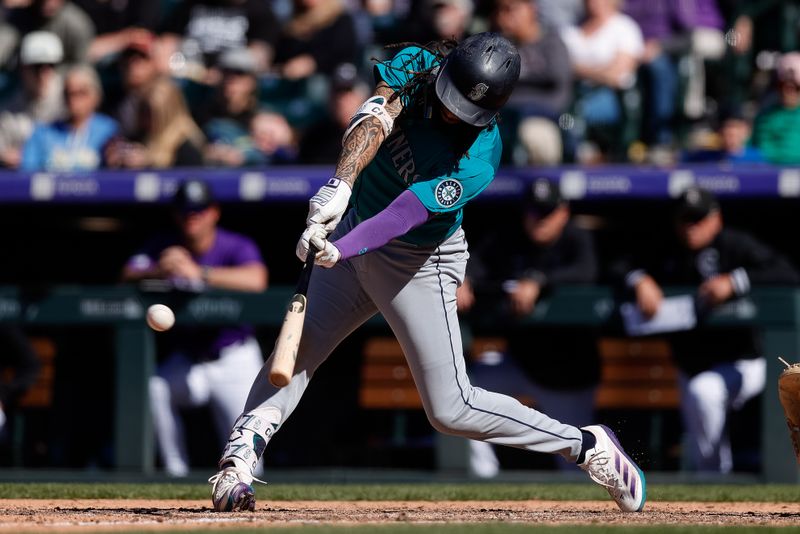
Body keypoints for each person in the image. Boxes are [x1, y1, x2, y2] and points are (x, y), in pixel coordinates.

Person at [208, 32, 646, 514]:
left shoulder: (480, 157)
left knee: (450, 408)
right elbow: (373, 118)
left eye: (468, 110)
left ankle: (587, 446)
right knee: (295, 355)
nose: (453, 113)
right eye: (452, 98)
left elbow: (405, 212)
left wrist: (341, 246)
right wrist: (340, 186)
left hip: (416, 261)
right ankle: (238, 461)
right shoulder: (417, 66)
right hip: (353, 230)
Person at [619, 186, 799, 472]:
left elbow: (787, 272)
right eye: (686, 219)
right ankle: (711, 479)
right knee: (700, 397)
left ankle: (716, 476)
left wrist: (735, 281)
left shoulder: (734, 244)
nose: (692, 227)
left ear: (716, 218)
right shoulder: (667, 249)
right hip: (689, 363)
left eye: (699, 218)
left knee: (705, 392)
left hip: (745, 361)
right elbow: (617, 263)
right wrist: (639, 279)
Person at [122, 179, 268, 477]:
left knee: (249, 458)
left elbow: (256, 279)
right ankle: (175, 473)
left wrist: (199, 272)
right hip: (190, 360)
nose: (193, 217)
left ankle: (241, 483)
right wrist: (158, 270)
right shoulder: (165, 247)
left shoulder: (234, 245)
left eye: (199, 210)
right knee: (155, 388)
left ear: (213, 212)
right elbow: (127, 273)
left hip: (234, 357)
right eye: (186, 211)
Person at [464, 178, 600, 477]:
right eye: (534, 212)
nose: (539, 220)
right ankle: (480, 478)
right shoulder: (509, 238)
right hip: (520, 363)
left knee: (576, 468)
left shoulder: (576, 239)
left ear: (563, 212)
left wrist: (539, 280)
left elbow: (587, 270)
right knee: (460, 391)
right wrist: (463, 278)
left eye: (547, 212)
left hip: (566, 373)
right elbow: (476, 261)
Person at [560, 0, 644, 161]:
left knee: (579, 110)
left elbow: (620, 72)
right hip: (573, 92)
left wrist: (582, 70)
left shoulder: (625, 27)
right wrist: (602, 69)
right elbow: (562, 67)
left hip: (613, 96)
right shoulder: (571, 30)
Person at [491, 0, 573, 165]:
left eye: (511, 8)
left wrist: (519, 75)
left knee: (535, 134)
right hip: (502, 117)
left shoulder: (551, 41)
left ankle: (547, 187)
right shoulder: (498, 45)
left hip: (543, 116)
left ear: (531, 9)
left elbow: (558, 79)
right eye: (500, 10)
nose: (505, 15)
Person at [20, 63, 117, 171]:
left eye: (81, 92)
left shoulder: (109, 131)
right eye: (68, 93)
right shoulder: (43, 133)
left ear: (96, 96)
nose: (73, 99)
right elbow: (27, 174)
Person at [105, 77, 204, 169]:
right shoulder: (137, 138)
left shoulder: (187, 148)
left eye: (152, 114)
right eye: (143, 111)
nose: (147, 120)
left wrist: (148, 164)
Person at [0, 31, 65, 169]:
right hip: (22, 182)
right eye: (37, 67)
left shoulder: (70, 98)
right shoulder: (9, 108)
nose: (43, 74)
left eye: (50, 66)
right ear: (24, 68)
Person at [6, 0, 95, 67]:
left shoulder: (76, 23)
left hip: (63, 76)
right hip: (24, 77)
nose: (49, 2)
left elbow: (81, 63)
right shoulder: (19, 18)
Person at [750, 52, 800, 165]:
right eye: (782, 85)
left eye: (795, 87)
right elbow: (755, 148)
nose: (788, 91)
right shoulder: (764, 117)